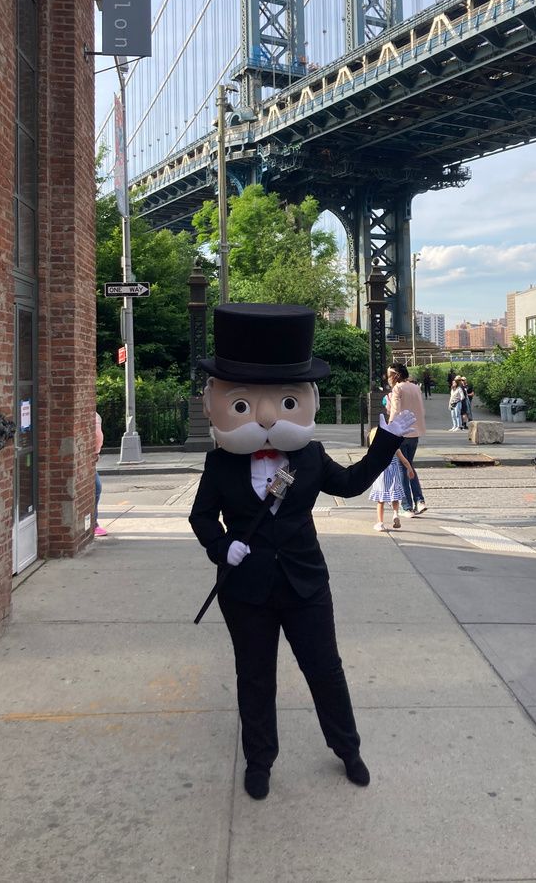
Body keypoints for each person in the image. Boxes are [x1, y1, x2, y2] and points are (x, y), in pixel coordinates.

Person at [189, 304, 416, 801]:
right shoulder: (220, 465)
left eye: (285, 402)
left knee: (325, 669)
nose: (268, 416)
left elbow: (353, 484)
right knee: (254, 675)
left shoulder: (309, 457)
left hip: (306, 583)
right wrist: (222, 546)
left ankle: (348, 748)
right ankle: (260, 760)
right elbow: (201, 517)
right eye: (247, 404)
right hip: (246, 589)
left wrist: (387, 442)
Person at [387, 361, 427, 516]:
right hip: (415, 432)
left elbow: (395, 410)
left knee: (402, 469)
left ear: (395, 375)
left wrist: (390, 428)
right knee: (409, 465)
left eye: (389, 375)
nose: (388, 378)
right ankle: (419, 500)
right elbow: (420, 409)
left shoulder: (398, 388)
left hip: (401, 433)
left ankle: (406, 506)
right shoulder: (415, 387)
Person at [368, 428, 414, 531]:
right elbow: (404, 461)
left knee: (381, 501)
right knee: (394, 497)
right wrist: (410, 469)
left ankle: (380, 523)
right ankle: (395, 514)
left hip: (381, 474)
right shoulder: (394, 447)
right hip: (394, 474)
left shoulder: (375, 449)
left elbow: (370, 463)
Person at [94, 411, 107, 537]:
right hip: (90, 456)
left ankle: (93, 523)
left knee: (96, 488)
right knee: (96, 488)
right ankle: (93, 524)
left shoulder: (94, 415)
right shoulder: (93, 415)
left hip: (92, 456)